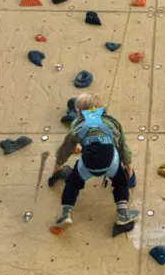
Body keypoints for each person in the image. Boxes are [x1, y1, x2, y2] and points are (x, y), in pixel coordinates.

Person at [50, 93, 135, 229]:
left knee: (72, 183)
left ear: (78, 112)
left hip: (87, 165)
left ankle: (66, 213)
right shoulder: (111, 123)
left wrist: (58, 166)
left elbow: (66, 148)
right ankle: (122, 214)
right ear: (103, 109)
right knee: (121, 182)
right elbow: (122, 145)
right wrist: (128, 163)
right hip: (110, 163)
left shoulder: (77, 126)